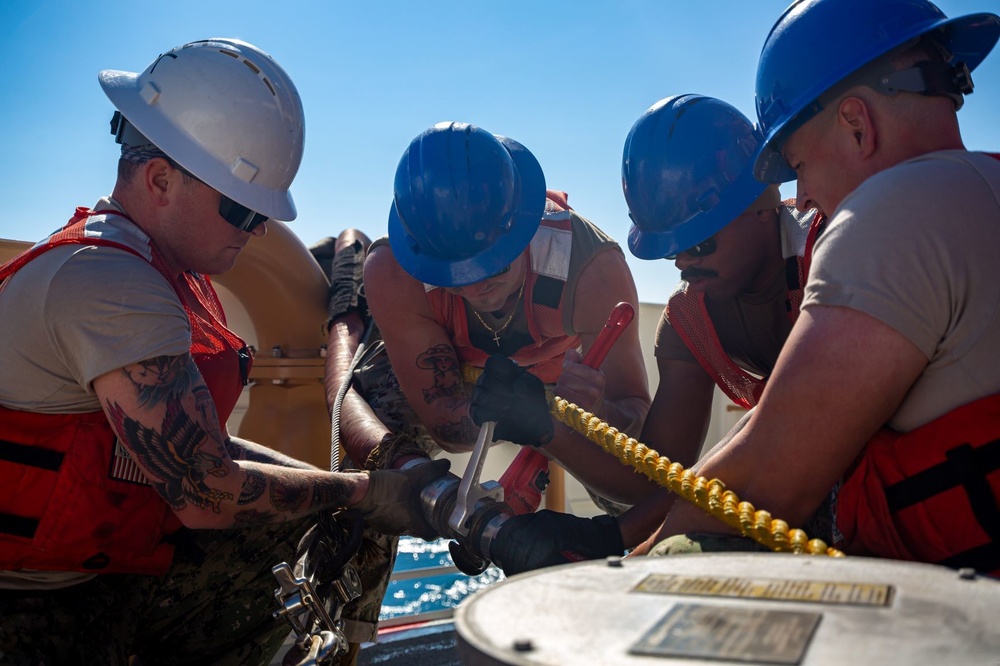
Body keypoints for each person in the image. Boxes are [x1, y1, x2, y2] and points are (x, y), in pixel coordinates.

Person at [0, 39, 449, 666]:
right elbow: (207, 492)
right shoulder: (107, 284)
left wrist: (356, 489)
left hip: (96, 568)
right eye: (242, 208)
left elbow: (202, 446)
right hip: (28, 603)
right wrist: (363, 494)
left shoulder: (154, 269)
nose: (259, 230)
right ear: (159, 179)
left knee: (317, 526)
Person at [636, 0, 1000, 576]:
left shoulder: (891, 216)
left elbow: (763, 482)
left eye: (799, 164)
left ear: (858, 124)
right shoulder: (982, 192)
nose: (800, 199)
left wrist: (629, 574)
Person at [315, 121, 652, 658]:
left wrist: (593, 411)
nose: (475, 283)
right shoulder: (393, 272)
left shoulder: (593, 270)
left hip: (563, 389)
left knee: (640, 492)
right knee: (372, 454)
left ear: (522, 226)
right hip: (461, 377)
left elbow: (636, 420)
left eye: (491, 260)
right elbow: (446, 427)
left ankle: (626, 637)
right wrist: (508, 418)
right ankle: (342, 639)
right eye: (453, 270)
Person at [484, 94, 826, 575]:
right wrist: (544, 427)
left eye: (699, 242)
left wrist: (618, 543)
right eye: (671, 252)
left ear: (762, 201)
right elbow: (655, 478)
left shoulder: (832, 252)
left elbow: (791, 427)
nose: (685, 263)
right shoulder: (690, 321)